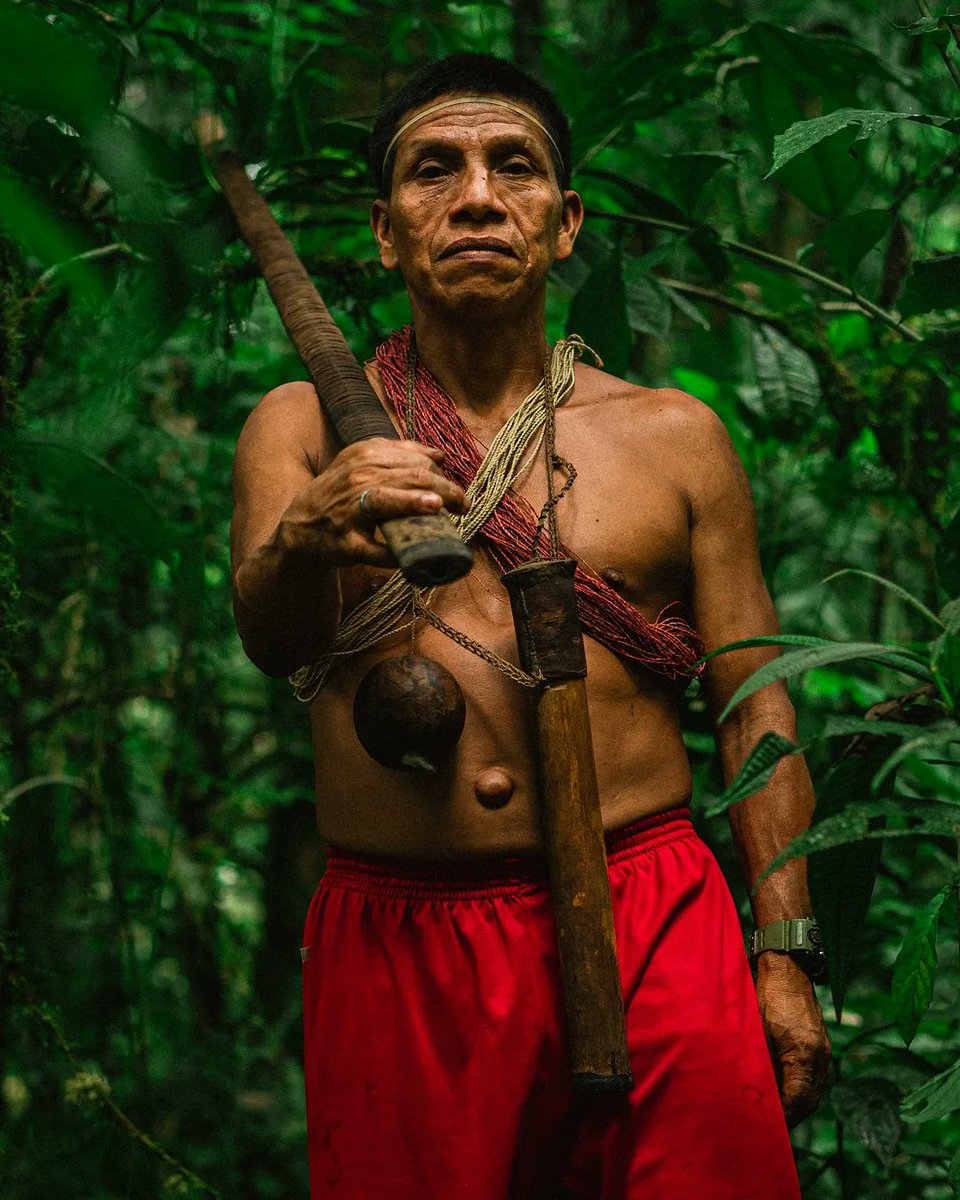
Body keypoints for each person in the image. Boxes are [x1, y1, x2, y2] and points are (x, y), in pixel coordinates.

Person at [230, 52, 830, 1200]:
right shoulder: (302, 426)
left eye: (514, 166)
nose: (475, 197)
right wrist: (307, 534)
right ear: (385, 230)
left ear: (565, 224)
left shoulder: (673, 437)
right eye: (432, 171)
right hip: (404, 936)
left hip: (654, 909)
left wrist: (785, 951)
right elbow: (276, 644)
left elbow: (755, 701)